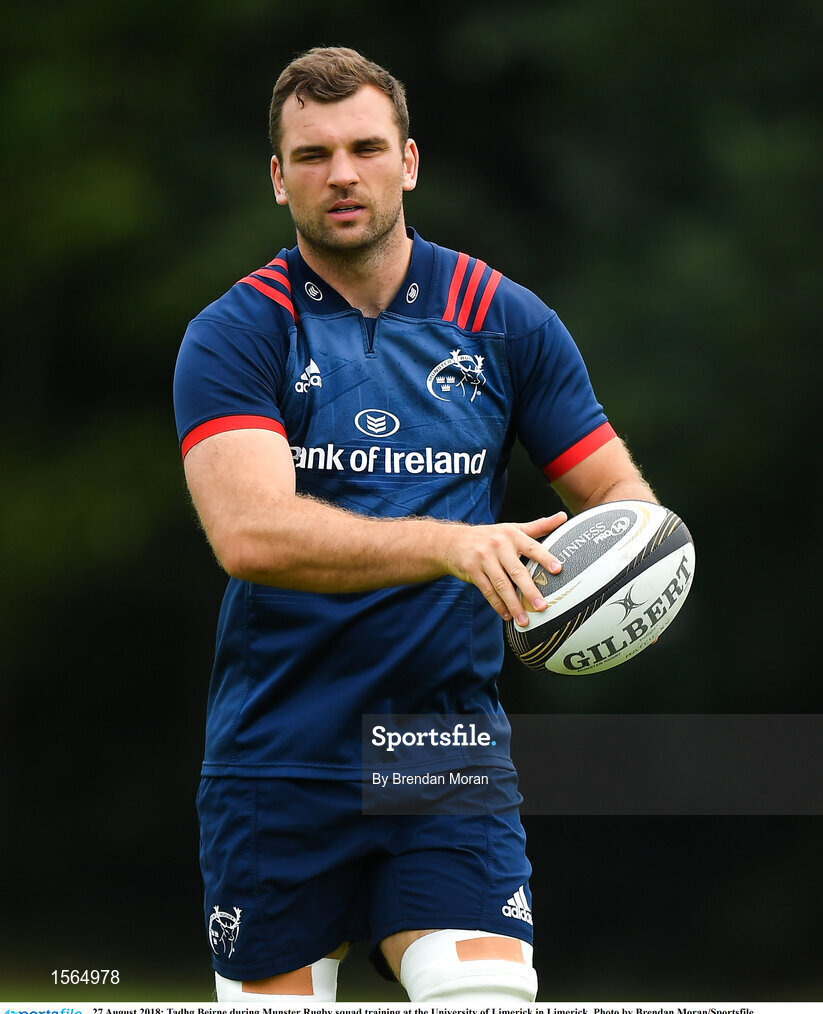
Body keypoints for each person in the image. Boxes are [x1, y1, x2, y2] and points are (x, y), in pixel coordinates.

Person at [173, 46, 656, 1003]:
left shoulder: (504, 321)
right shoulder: (235, 334)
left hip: (437, 750)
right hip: (280, 756)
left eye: (364, 147)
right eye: (311, 156)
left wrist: (600, 579)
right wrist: (450, 543)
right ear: (278, 179)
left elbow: (623, 505)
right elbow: (251, 536)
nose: (341, 174)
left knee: (482, 996)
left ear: (409, 161)